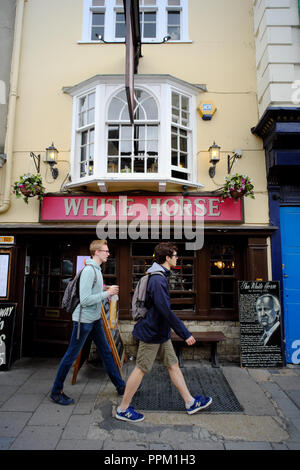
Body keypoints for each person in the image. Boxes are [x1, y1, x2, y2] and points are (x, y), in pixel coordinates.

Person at [115, 242, 212, 422]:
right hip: (152, 333)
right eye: (175, 256)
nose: (177, 258)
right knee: (141, 369)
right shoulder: (158, 279)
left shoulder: (158, 276)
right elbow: (164, 310)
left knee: (173, 364)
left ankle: (190, 402)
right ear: (167, 258)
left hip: (161, 332)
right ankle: (123, 409)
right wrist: (185, 333)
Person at [50, 239, 126, 405]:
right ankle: (56, 392)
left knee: (106, 352)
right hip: (83, 321)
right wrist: (108, 293)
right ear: (96, 252)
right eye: (105, 251)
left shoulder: (97, 270)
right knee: (70, 356)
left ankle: (121, 387)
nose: (108, 253)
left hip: (95, 319)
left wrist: (104, 288)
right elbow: (84, 300)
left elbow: (92, 290)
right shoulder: (90, 271)